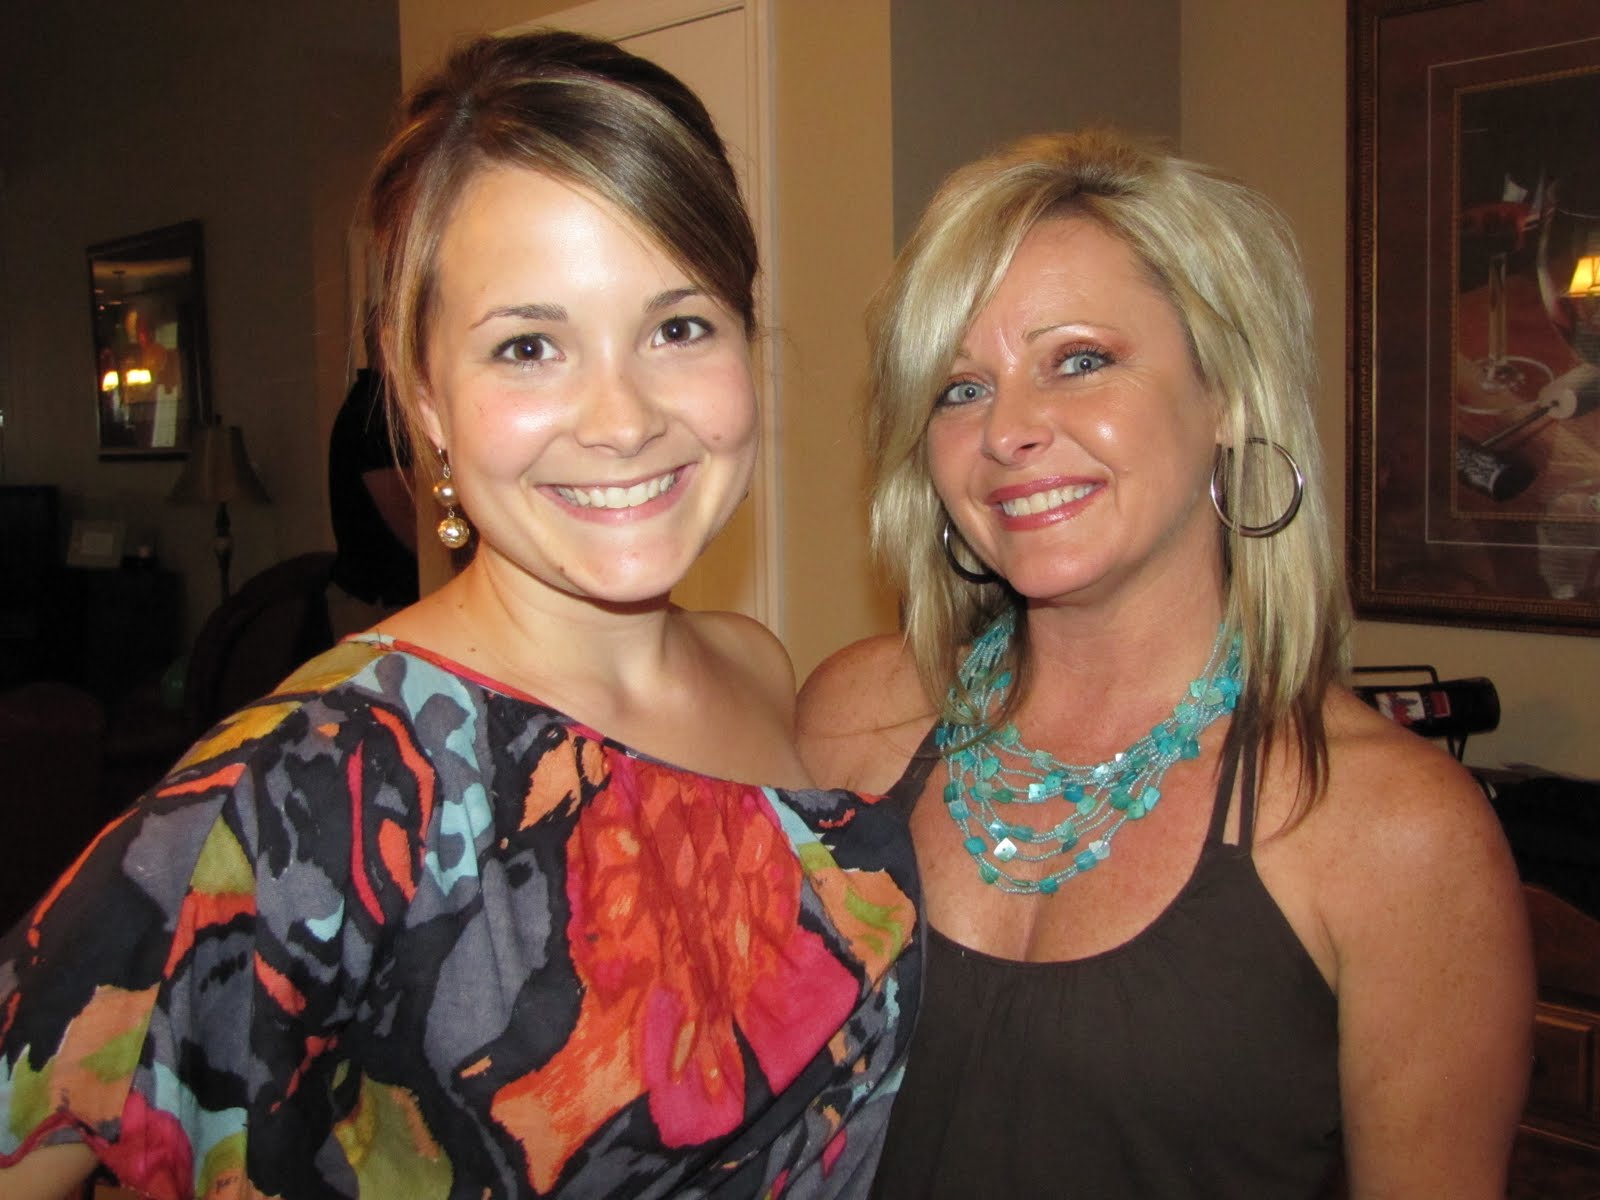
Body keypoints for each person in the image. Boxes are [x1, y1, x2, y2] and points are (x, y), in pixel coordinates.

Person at [0, 31, 920, 1199]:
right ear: (424, 392)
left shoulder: (754, 665)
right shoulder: (315, 780)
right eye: (529, 347)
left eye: (678, 327)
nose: (622, 418)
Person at [798, 129, 1533, 1197]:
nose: (1007, 431)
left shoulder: (1393, 833)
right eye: (959, 389)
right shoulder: (852, 722)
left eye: (1079, 361)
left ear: (1226, 394)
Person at [325, 305, 420, 638]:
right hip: (377, 603)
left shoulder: (385, 406)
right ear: (390, 341)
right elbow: (406, 517)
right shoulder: (376, 412)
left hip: (383, 597)